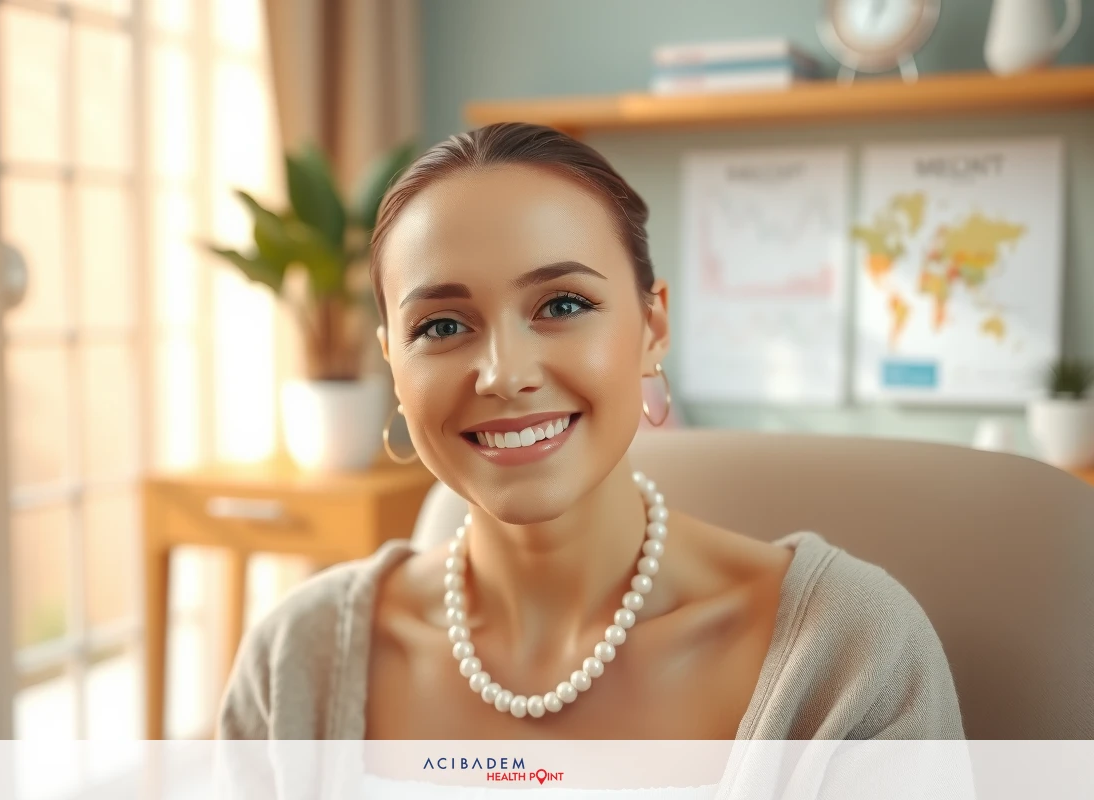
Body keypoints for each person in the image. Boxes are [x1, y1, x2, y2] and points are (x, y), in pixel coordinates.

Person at [216, 122, 964, 745]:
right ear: (393, 364)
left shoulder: (850, 656)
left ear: (652, 326)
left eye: (563, 305)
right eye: (441, 326)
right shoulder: (294, 665)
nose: (504, 374)